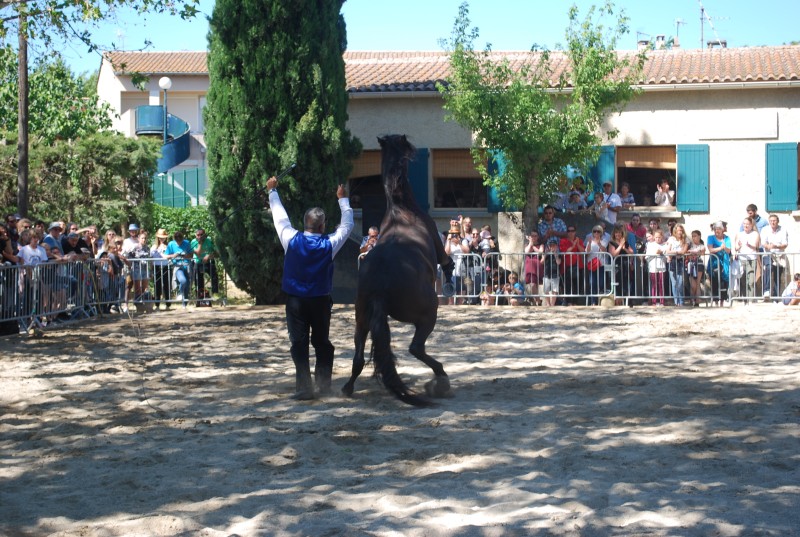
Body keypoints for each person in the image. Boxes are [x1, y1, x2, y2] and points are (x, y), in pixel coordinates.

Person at [266, 174, 353, 400]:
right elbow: (348, 225)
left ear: (305, 223)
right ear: (322, 226)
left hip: (295, 301)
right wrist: (342, 199)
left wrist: (272, 191)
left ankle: (304, 388)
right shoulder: (329, 244)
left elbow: (280, 217)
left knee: (299, 343)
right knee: (322, 343)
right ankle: (323, 386)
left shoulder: (290, 238)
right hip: (320, 301)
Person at [733, 216, 760, 301]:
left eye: (747, 224)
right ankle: (744, 298)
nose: (746, 225)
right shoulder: (739, 234)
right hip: (742, 259)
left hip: (752, 259)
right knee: (742, 279)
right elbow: (736, 248)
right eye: (744, 224)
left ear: (751, 225)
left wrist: (749, 245)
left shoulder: (755, 234)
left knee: (751, 280)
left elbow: (756, 246)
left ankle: (750, 299)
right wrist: (739, 246)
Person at [164, 231, 192, 308]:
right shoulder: (171, 244)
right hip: (177, 266)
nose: (179, 242)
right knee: (183, 281)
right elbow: (165, 256)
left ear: (182, 238)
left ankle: (184, 304)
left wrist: (185, 255)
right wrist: (174, 255)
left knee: (187, 285)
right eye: (177, 240)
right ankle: (179, 292)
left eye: (180, 240)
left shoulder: (187, 243)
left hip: (187, 265)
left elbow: (191, 255)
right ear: (175, 239)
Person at [608, 224, 634, 305]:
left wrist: (625, 248)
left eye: (619, 232)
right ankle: (617, 302)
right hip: (617, 266)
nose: (618, 234)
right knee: (617, 284)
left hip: (625, 266)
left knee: (626, 283)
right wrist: (620, 246)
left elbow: (631, 253)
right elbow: (614, 254)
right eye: (616, 233)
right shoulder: (611, 243)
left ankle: (625, 301)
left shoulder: (625, 243)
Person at [707, 221, 731, 307]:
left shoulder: (727, 238)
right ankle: (715, 300)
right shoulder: (710, 238)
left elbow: (728, 250)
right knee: (714, 281)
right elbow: (710, 249)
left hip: (724, 262)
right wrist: (721, 248)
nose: (717, 231)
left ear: (722, 230)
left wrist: (725, 248)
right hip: (714, 262)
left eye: (719, 229)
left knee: (724, 281)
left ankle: (723, 300)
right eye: (715, 229)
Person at [559, 225, 585, 305]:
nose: (570, 233)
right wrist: (573, 245)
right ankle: (569, 302)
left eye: (572, 231)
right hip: (567, 267)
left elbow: (583, 251)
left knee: (578, 284)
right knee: (568, 285)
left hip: (578, 266)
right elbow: (565, 252)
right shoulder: (563, 241)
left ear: (575, 232)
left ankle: (575, 302)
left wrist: (577, 244)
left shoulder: (579, 240)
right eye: (569, 231)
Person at [665, 224, 689, 306]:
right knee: (674, 282)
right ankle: (676, 301)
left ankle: (681, 301)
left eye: (681, 230)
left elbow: (683, 251)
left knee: (680, 282)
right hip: (672, 261)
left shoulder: (685, 240)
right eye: (678, 230)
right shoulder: (671, 239)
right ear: (675, 231)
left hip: (680, 261)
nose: (680, 232)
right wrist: (676, 252)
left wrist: (674, 252)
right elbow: (668, 250)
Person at [191, 228, 218, 299]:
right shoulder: (193, 242)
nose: (200, 236)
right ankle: (200, 294)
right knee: (198, 279)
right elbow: (198, 253)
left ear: (205, 235)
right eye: (198, 235)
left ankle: (215, 293)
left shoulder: (209, 240)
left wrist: (208, 256)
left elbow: (215, 252)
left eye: (201, 235)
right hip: (198, 262)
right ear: (195, 235)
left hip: (208, 262)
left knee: (214, 275)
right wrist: (200, 243)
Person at [585, 224, 607, 305]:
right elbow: (587, 252)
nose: (596, 233)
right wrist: (590, 243)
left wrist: (599, 244)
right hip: (592, 265)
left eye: (598, 231)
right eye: (595, 231)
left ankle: (600, 301)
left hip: (601, 265)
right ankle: (593, 301)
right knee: (592, 283)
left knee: (601, 283)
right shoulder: (589, 241)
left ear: (601, 233)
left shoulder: (603, 241)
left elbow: (604, 250)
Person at [151, 229, 171, 310]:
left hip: (166, 266)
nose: (161, 239)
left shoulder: (169, 246)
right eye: (160, 238)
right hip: (157, 266)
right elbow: (152, 259)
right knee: (157, 286)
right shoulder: (154, 247)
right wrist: (151, 270)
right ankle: (157, 304)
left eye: (163, 238)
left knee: (167, 285)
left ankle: (168, 304)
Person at [646, 229, 667, 306]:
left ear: (662, 237)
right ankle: (654, 301)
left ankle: (662, 301)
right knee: (654, 285)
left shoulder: (665, 245)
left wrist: (662, 253)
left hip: (662, 266)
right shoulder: (650, 244)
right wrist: (655, 253)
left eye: (659, 237)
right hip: (653, 267)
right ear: (654, 237)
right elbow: (647, 256)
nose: (658, 239)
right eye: (656, 237)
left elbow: (667, 257)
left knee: (661, 284)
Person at [523, 230, 544, 304]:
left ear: (538, 237)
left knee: (536, 285)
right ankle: (538, 301)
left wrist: (533, 246)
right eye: (532, 236)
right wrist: (530, 243)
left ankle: (536, 302)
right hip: (529, 268)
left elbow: (540, 253)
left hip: (537, 267)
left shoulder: (541, 245)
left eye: (535, 236)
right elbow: (527, 252)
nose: (534, 237)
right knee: (532, 284)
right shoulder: (527, 245)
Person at [687, 230, 707, 306]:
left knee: (698, 283)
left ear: (699, 236)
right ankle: (693, 299)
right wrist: (694, 252)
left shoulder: (701, 245)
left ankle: (697, 301)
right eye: (693, 236)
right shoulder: (690, 244)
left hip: (699, 264)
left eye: (695, 236)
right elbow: (688, 252)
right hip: (691, 265)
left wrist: (694, 252)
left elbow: (702, 251)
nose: (694, 238)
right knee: (693, 284)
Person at [541, 238, 561, 306]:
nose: (552, 247)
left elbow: (559, 262)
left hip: (555, 274)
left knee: (554, 290)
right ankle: (548, 304)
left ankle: (552, 304)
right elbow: (542, 262)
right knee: (546, 290)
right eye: (550, 245)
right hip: (547, 273)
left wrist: (555, 255)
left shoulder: (558, 253)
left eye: (553, 245)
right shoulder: (546, 254)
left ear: (556, 246)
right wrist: (545, 255)